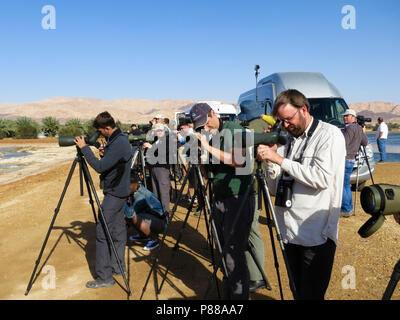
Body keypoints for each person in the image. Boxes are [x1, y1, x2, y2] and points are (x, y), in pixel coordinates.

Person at [256, 89, 346, 300]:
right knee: (297, 291)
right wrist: (272, 157)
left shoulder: (329, 135)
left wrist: (280, 160)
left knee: (311, 295)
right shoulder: (290, 140)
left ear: (303, 109)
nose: (286, 125)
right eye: (282, 122)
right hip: (288, 231)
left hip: (315, 235)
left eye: (289, 119)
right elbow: (272, 187)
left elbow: (322, 178)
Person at [189, 102, 254, 300]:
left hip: (237, 197)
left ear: (213, 113)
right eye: (201, 127)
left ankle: (237, 297)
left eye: (206, 123)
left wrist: (207, 146)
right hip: (220, 197)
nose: (205, 129)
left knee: (233, 252)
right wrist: (199, 157)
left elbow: (238, 160)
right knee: (223, 250)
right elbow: (209, 173)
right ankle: (230, 292)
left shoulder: (233, 129)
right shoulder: (214, 137)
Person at [74, 111, 132, 289]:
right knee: (117, 231)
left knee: (102, 233)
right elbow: (112, 162)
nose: (99, 135)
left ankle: (105, 277)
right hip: (120, 190)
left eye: (100, 131)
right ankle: (118, 267)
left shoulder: (119, 141)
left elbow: (100, 167)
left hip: (115, 193)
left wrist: (85, 149)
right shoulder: (118, 139)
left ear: (108, 128)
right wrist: (104, 153)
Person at [238, 100, 269, 293]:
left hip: (251, 186)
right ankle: (254, 271)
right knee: (251, 229)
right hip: (257, 184)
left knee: (252, 230)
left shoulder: (250, 130)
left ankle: (257, 276)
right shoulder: (264, 126)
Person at [125, 170, 168, 251]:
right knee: (130, 217)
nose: (127, 188)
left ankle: (154, 239)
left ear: (136, 184)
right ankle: (144, 235)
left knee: (132, 217)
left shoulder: (140, 196)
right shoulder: (136, 190)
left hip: (161, 223)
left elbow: (130, 214)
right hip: (152, 218)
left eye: (129, 186)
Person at [340, 109, 368, 217]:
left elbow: (344, 144)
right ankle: (349, 207)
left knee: (342, 185)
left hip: (345, 159)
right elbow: (365, 142)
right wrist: (362, 132)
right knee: (346, 184)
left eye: (347, 116)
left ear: (353, 117)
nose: (345, 118)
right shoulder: (358, 128)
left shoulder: (349, 128)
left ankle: (346, 209)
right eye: (344, 116)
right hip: (352, 160)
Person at [143, 123, 172, 218]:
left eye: (161, 130)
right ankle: (158, 213)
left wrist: (150, 147)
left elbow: (162, 152)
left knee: (163, 192)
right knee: (155, 192)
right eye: (157, 130)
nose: (159, 132)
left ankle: (165, 215)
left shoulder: (168, 140)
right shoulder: (156, 140)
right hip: (154, 168)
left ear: (164, 131)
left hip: (162, 169)